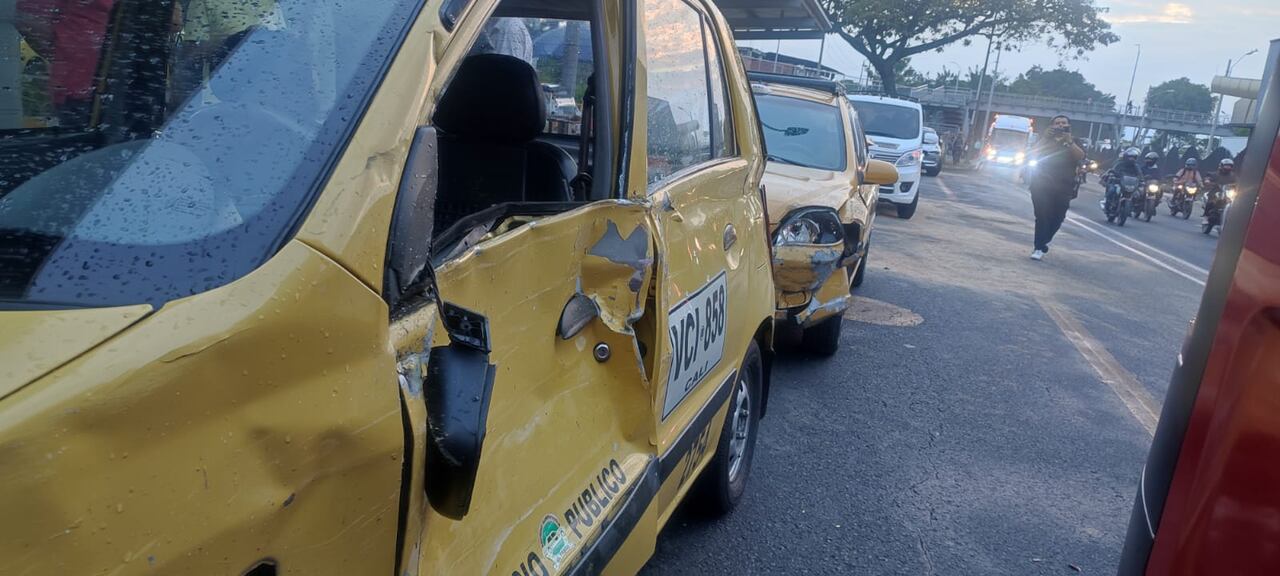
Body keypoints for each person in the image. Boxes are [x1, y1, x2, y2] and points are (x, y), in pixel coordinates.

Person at [1027, 114, 1085, 261]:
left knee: (1058, 217)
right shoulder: (1046, 139)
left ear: (1068, 125)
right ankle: (1038, 247)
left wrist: (1069, 141)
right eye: (1057, 123)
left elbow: (1080, 156)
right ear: (1051, 125)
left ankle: (1044, 241)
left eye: (1063, 123)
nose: (1060, 125)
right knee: (1042, 215)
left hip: (1064, 186)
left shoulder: (1074, 141)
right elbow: (1032, 152)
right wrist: (1045, 138)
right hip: (1041, 183)